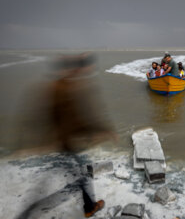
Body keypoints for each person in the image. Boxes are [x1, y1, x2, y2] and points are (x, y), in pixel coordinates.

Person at [16, 53, 116, 219]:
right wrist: (102, 131)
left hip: (62, 141)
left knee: (70, 176)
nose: (89, 70)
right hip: (65, 142)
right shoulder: (68, 88)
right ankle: (88, 208)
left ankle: (88, 207)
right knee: (76, 177)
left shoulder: (61, 85)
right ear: (80, 68)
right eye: (87, 67)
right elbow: (76, 120)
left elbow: (45, 117)